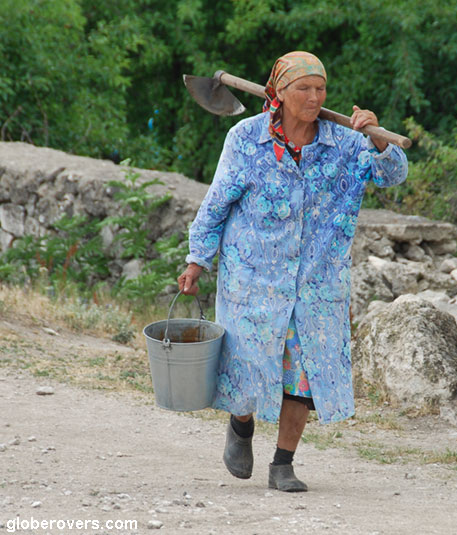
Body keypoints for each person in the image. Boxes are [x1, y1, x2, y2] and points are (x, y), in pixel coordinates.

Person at [177, 51, 408, 492]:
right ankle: (241, 427)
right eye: (303, 88)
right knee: (247, 366)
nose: (314, 97)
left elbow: (393, 174)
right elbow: (217, 203)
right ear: (279, 93)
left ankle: (283, 463)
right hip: (253, 277)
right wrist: (196, 260)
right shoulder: (245, 139)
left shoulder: (345, 140)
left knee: (302, 376)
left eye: (320, 88)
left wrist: (377, 139)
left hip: (318, 283)